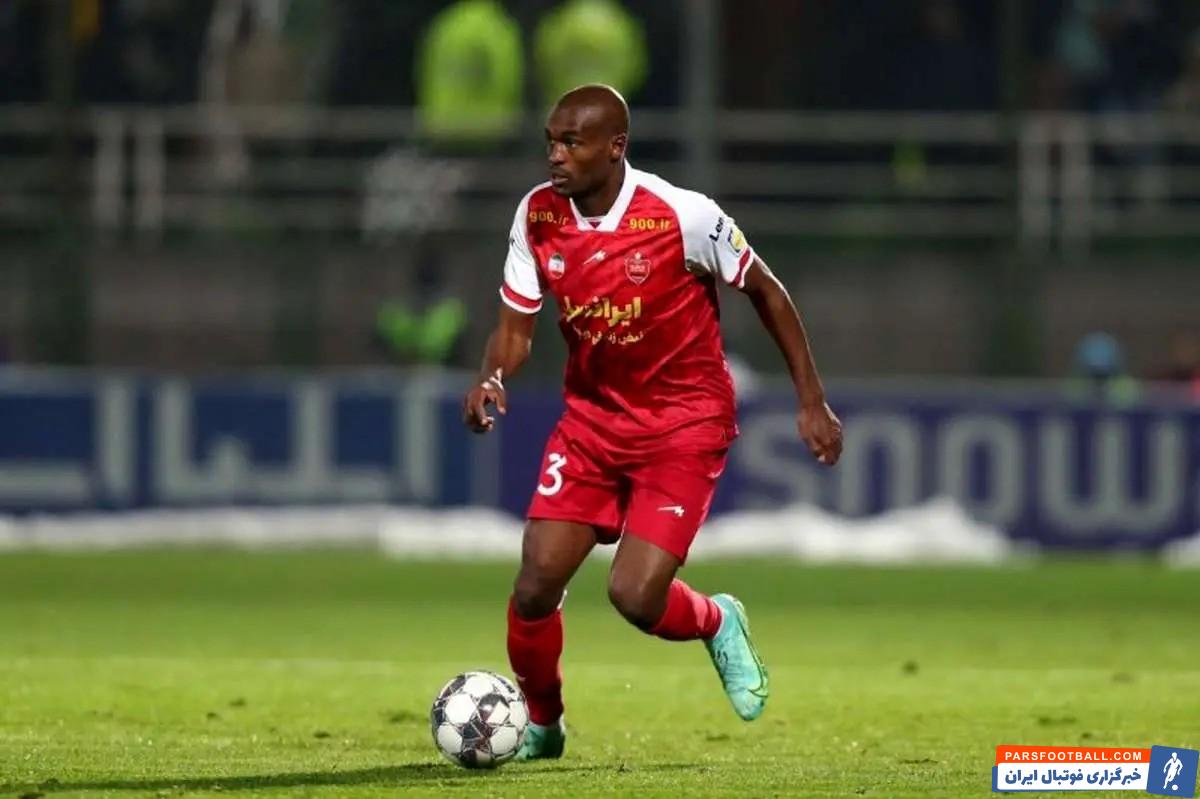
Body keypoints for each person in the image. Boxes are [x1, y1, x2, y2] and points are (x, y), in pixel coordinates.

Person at [461, 85, 843, 760]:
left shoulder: (682, 214)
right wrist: (493, 374)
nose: (555, 155)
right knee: (536, 582)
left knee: (635, 596)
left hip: (683, 423)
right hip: (592, 422)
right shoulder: (537, 215)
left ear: (616, 148)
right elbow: (515, 328)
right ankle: (543, 725)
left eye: (571, 143)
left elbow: (766, 290)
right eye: (550, 141)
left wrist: (810, 399)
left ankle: (718, 619)